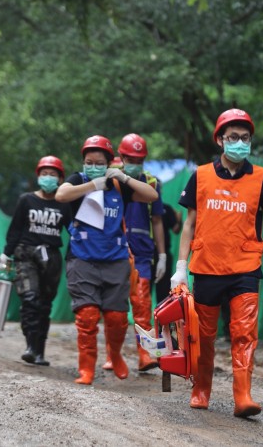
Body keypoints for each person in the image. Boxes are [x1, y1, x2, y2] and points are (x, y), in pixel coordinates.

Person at [170, 108, 263, 418]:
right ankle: (201, 389)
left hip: (245, 269)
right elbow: (188, 224)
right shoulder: (201, 175)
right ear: (220, 140)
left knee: (245, 332)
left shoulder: (261, 178)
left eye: (245, 138)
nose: (240, 143)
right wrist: (181, 267)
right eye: (233, 137)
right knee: (204, 336)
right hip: (206, 268)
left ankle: (243, 396)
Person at [56, 135, 158, 385]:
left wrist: (123, 178)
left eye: (99, 162)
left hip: (115, 260)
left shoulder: (119, 185)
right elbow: (61, 195)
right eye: (89, 161)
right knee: (88, 315)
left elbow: (151, 196)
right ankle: (86, 368)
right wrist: (93, 185)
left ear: (109, 162)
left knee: (116, 317)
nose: (93, 166)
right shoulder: (78, 181)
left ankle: (115, 354)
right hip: (82, 260)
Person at [2, 156, 72, 366]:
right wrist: (6, 254)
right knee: (30, 299)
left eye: (52, 175)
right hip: (26, 255)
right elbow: (14, 230)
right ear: (38, 176)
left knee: (44, 305)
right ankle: (31, 346)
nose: (48, 178)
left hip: (51, 258)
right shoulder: (26, 200)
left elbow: (74, 231)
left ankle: (39, 351)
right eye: (44, 174)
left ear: (60, 179)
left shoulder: (64, 204)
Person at [114, 133, 165, 372]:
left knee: (143, 303)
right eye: (130, 158)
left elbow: (157, 221)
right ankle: (112, 355)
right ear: (121, 156)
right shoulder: (110, 177)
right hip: (113, 250)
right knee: (114, 305)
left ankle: (147, 355)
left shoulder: (152, 183)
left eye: (139, 159)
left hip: (143, 252)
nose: (134, 162)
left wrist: (162, 255)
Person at [153, 203, 182, 304]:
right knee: (142, 289)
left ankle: (162, 318)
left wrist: (179, 220)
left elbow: (176, 229)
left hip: (163, 254)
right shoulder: (139, 204)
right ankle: (141, 319)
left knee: (164, 290)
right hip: (145, 253)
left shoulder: (165, 208)